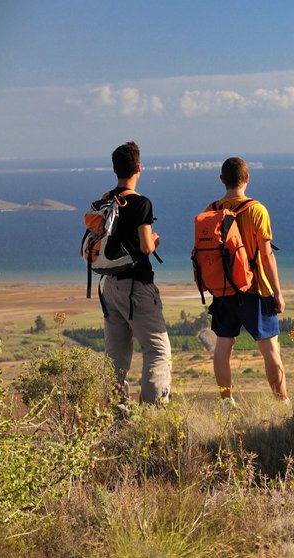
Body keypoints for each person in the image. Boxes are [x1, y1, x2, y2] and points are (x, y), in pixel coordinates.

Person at [208, 157, 288, 406]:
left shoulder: (210, 210)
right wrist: (277, 292)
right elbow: (266, 255)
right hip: (256, 289)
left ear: (222, 180)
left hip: (223, 291)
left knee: (223, 347)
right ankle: (281, 403)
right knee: (270, 348)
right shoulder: (257, 210)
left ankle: (226, 402)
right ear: (247, 179)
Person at [101, 141, 172, 406]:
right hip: (136, 287)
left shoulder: (107, 199)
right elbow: (145, 246)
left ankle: (117, 416)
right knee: (157, 350)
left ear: (115, 169)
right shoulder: (141, 203)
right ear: (139, 168)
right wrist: (154, 240)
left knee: (116, 356)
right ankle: (152, 417)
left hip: (109, 285)